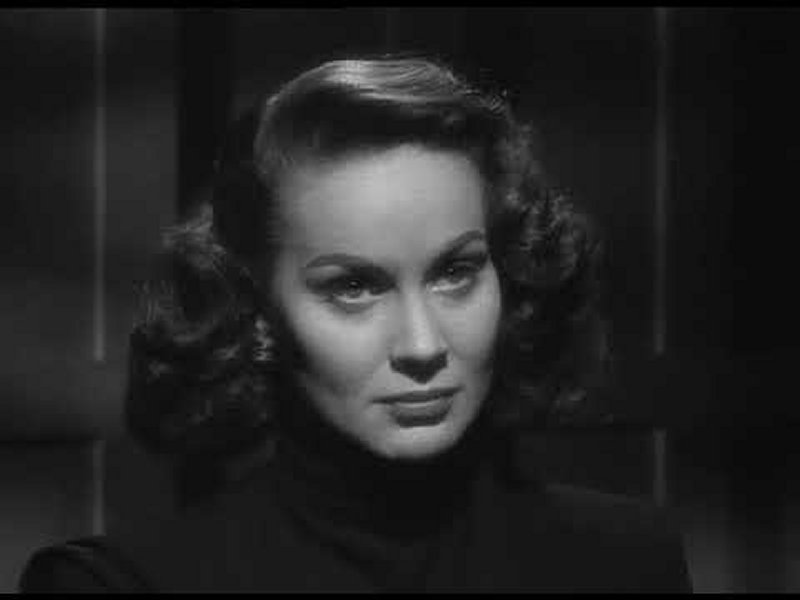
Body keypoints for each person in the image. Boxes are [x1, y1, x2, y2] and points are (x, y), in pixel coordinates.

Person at [19, 57, 691, 592]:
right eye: (354, 288)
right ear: (256, 312)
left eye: (455, 272)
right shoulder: (121, 585)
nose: (423, 346)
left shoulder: (627, 561)